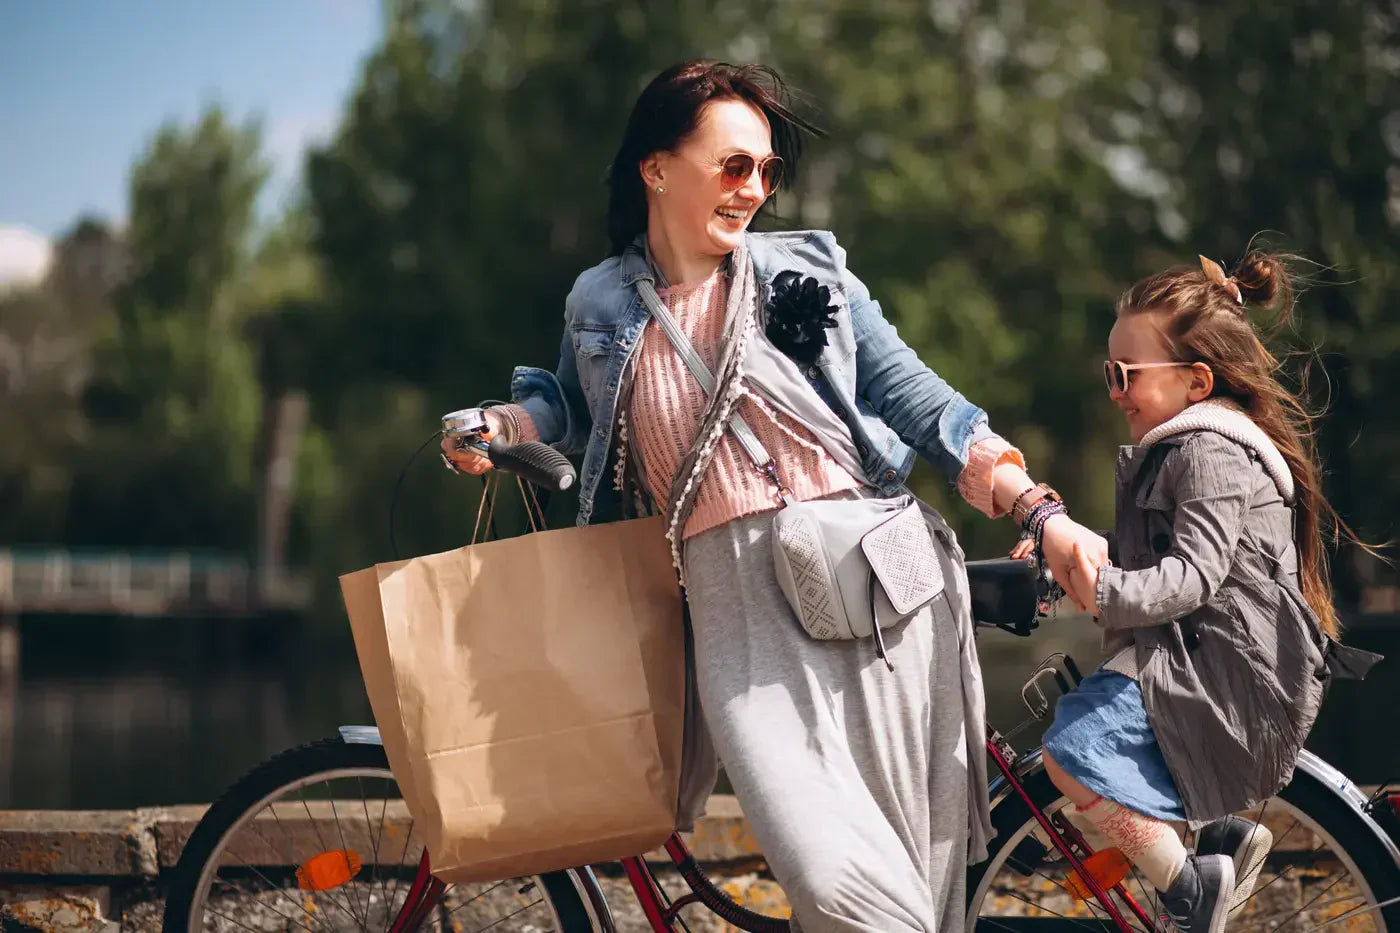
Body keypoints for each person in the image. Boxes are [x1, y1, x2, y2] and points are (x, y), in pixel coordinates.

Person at [443, 59, 1108, 931]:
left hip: (880, 610)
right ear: (655, 166)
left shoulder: (812, 269)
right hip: (735, 624)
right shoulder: (600, 300)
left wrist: (1041, 512)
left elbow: (924, 402)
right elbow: (571, 406)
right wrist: (501, 426)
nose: (753, 188)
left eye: (766, 170)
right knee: (839, 888)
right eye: (732, 165)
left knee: (900, 888)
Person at [1043, 252, 1369, 933]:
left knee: (1073, 749)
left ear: (1196, 380)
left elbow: (1192, 574)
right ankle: (1223, 841)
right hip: (1198, 657)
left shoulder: (1212, 453)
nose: (1114, 391)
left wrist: (1105, 592)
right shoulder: (1181, 447)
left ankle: (1193, 885)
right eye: (1110, 373)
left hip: (1224, 673)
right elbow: (1159, 552)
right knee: (1081, 741)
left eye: (1127, 375)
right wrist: (1067, 558)